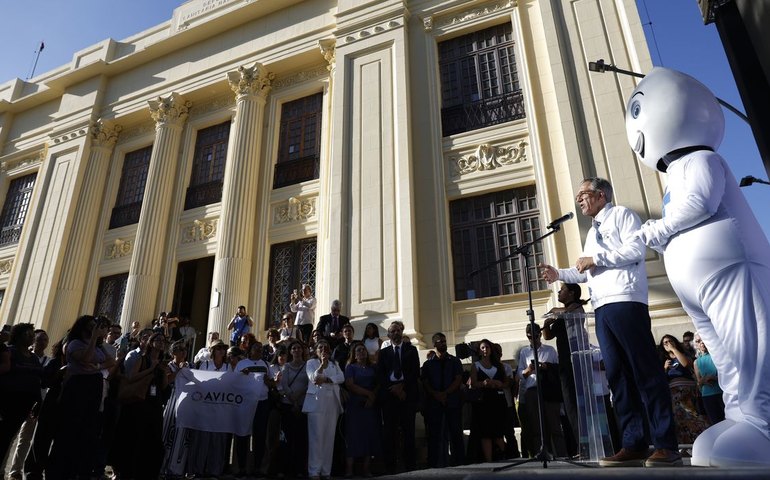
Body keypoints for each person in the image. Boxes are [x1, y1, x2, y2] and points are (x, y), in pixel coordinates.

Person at [624, 67, 770, 467]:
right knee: (725, 356)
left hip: (730, 270)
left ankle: (763, 423)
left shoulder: (702, 159)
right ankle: (740, 416)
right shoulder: (674, 176)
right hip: (701, 283)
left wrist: (654, 230)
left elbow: (700, 204)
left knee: (748, 348)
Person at [539, 177, 680, 467]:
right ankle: (634, 444)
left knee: (645, 371)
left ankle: (666, 444)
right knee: (618, 376)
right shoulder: (593, 231)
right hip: (601, 306)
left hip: (625, 300)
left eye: (583, 194)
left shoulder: (622, 215)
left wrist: (596, 258)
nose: (579, 199)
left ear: (601, 194)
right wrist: (559, 274)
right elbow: (585, 269)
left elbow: (635, 251)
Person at [542, 283, 590, 455]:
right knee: (570, 404)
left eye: (562, 290)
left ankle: (586, 444)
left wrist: (555, 311)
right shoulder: (562, 314)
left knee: (577, 403)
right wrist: (546, 324)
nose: (559, 292)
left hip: (574, 359)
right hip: (564, 362)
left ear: (571, 293)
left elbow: (571, 312)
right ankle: (580, 444)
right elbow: (548, 336)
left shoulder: (576, 308)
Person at [516, 323, 566, 459]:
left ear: (540, 335)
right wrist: (528, 370)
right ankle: (541, 454)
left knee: (554, 425)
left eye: (536, 336)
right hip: (532, 390)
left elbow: (558, 369)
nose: (533, 339)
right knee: (537, 427)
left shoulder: (550, 350)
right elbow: (520, 374)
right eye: (530, 337)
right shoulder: (524, 352)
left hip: (549, 389)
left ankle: (561, 455)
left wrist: (545, 366)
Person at [377, 321, 420, 473]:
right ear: (388, 335)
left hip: (406, 395)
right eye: (393, 331)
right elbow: (380, 375)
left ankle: (410, 466)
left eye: (398, 330)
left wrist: (402, 387)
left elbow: (415, 372)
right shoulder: (383, 353)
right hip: (389, 396)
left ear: (402, 332)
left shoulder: (411, 350)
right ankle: (390, 467)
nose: (396, 333)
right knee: (390, 432)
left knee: (409, 432)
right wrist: (394, 389)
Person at [0, 323, 43, 470]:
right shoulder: (10, 352)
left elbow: (36, 380)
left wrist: (38, 400)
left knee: (7, 439)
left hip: (24, 404)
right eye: (27, 334)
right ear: (18, 336)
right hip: (7, 402)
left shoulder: (34, 358)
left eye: (32, 335)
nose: (31, 337)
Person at [303, 339, 344, 480]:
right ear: (316, 350)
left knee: (329, 437)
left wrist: (327, 379)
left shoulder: (334, 363)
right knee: (316, 437)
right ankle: (314, 471)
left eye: (326, 347)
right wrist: (321, 365)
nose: (324, 349)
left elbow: (341, 377)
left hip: (332, 402)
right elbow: (314, 378)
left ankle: (326, 471)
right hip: (316, 403)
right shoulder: (311, 363)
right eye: (320, 347)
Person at [421, 332, 464, 467]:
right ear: (434, 344)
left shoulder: (455, 361)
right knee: (434, 434)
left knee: (456, 432)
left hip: (452, 401)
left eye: (445, 341)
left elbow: (458, 379)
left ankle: (459, 462)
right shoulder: (428, 364)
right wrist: (436, 394)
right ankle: (434, 463)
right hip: (434, 403)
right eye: (440, 341)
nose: (444, 343)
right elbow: (425, 382)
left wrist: (445, 393)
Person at [658, 334, 709, 445]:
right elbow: (661, 380)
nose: (668, 344)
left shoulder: (683, 354)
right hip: (674, 394)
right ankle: (686, 444)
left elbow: (686, 364)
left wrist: (673, 349)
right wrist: (664, 368)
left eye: (670, 341)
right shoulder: (663, 360)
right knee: (680, 418)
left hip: (687, 392)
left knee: (693, 416)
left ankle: (703, 440)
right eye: (665, 343)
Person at [344, 342, 381, 477]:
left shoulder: (373, 368)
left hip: (370, 406)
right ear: (354, 354)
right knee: (353, 435)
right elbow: (350, 385)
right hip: (355, 405)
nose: (361, 352)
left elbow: (378, 384)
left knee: (369, 436)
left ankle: (366, 469)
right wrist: (368, 394)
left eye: (363, 350)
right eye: (358, 350)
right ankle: (349, 470)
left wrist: (372, 396)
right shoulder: (351, 367)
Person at [278, 340, 309, 478]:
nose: (296, 350)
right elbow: (284, 385)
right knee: (286, 438)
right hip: (288, 405)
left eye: (299, 348)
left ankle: (299, 469)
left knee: (301, 438)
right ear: (290, 351)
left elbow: (309, 383)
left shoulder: (308, 366)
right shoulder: (286, 366)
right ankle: (285, 468)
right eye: (294, 348)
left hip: (303, 405)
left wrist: (298, 398)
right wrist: (293, 400)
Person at [693, 333, 725, 425]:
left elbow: (727, 375)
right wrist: (703, 380)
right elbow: (698, 383)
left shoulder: (718, 356)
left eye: (703, 339)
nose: (702, 343)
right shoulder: (696, 362)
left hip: (722, 392)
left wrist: (714, 378)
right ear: (696, 345)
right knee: (716, 424)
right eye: (698, 341)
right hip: (707, 396)